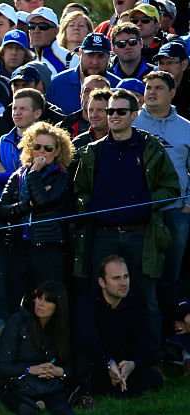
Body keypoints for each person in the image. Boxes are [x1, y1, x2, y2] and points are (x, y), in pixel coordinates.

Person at [73, 88, 178, 365]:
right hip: (102, 236)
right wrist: (90, 206)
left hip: (141, 235)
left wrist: (146, 204)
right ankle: (100, 361)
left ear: (134, 114)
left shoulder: (151, 147)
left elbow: (171, 187)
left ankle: (149, 362)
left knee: (147, 300)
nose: (114, 116)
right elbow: (79, 191)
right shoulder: (92, 151)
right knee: (98, 301)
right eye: (110, 111)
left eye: (120, 111)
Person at [0, 122, 75, 311]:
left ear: (57, 152)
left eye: (48, 148)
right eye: (36, 147)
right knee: (18, 300)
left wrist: (34, 175)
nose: (41, 152)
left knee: (48, 302)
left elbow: (45, 202)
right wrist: (26, 205)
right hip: (20, 246)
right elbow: (2, 210)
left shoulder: (62, 176)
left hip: (48, 247)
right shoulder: (18, 175)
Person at [72, 256, 163, 405]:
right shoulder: (87, 304)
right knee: (83, 367)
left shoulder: (134, 305)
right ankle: (91, 391)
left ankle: (112, 389)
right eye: (116, 278)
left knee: (154, 378)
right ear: (102, 282)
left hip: (121, 366)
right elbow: (85, 340)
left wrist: (132, 364)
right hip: (97, 363)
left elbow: (142, 343)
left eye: (125, 277)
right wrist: (108, 362)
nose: (123, 283)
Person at [0, 282, 81, 415]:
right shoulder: (17, 322)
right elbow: (2, 366)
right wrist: (30, 369)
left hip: (48, 382)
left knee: (61, 408)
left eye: (48, 300)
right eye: (39, 298)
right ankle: (29, 412)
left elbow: (72, 367)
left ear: (58, 305)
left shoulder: (61, 329)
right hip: (18, 383)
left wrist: (57, 371)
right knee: (22, 404)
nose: (41, 304)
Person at [134, 71, 190, 284]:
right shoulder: (131, 123)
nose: (152, 92)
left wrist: (188, 205)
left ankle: (171, 315)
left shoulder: (186, 128)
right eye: (149, 88)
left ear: (172, 93)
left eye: (159, 88)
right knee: (140, 271)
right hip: (139, 209)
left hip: (176, 210)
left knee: (171, 271)